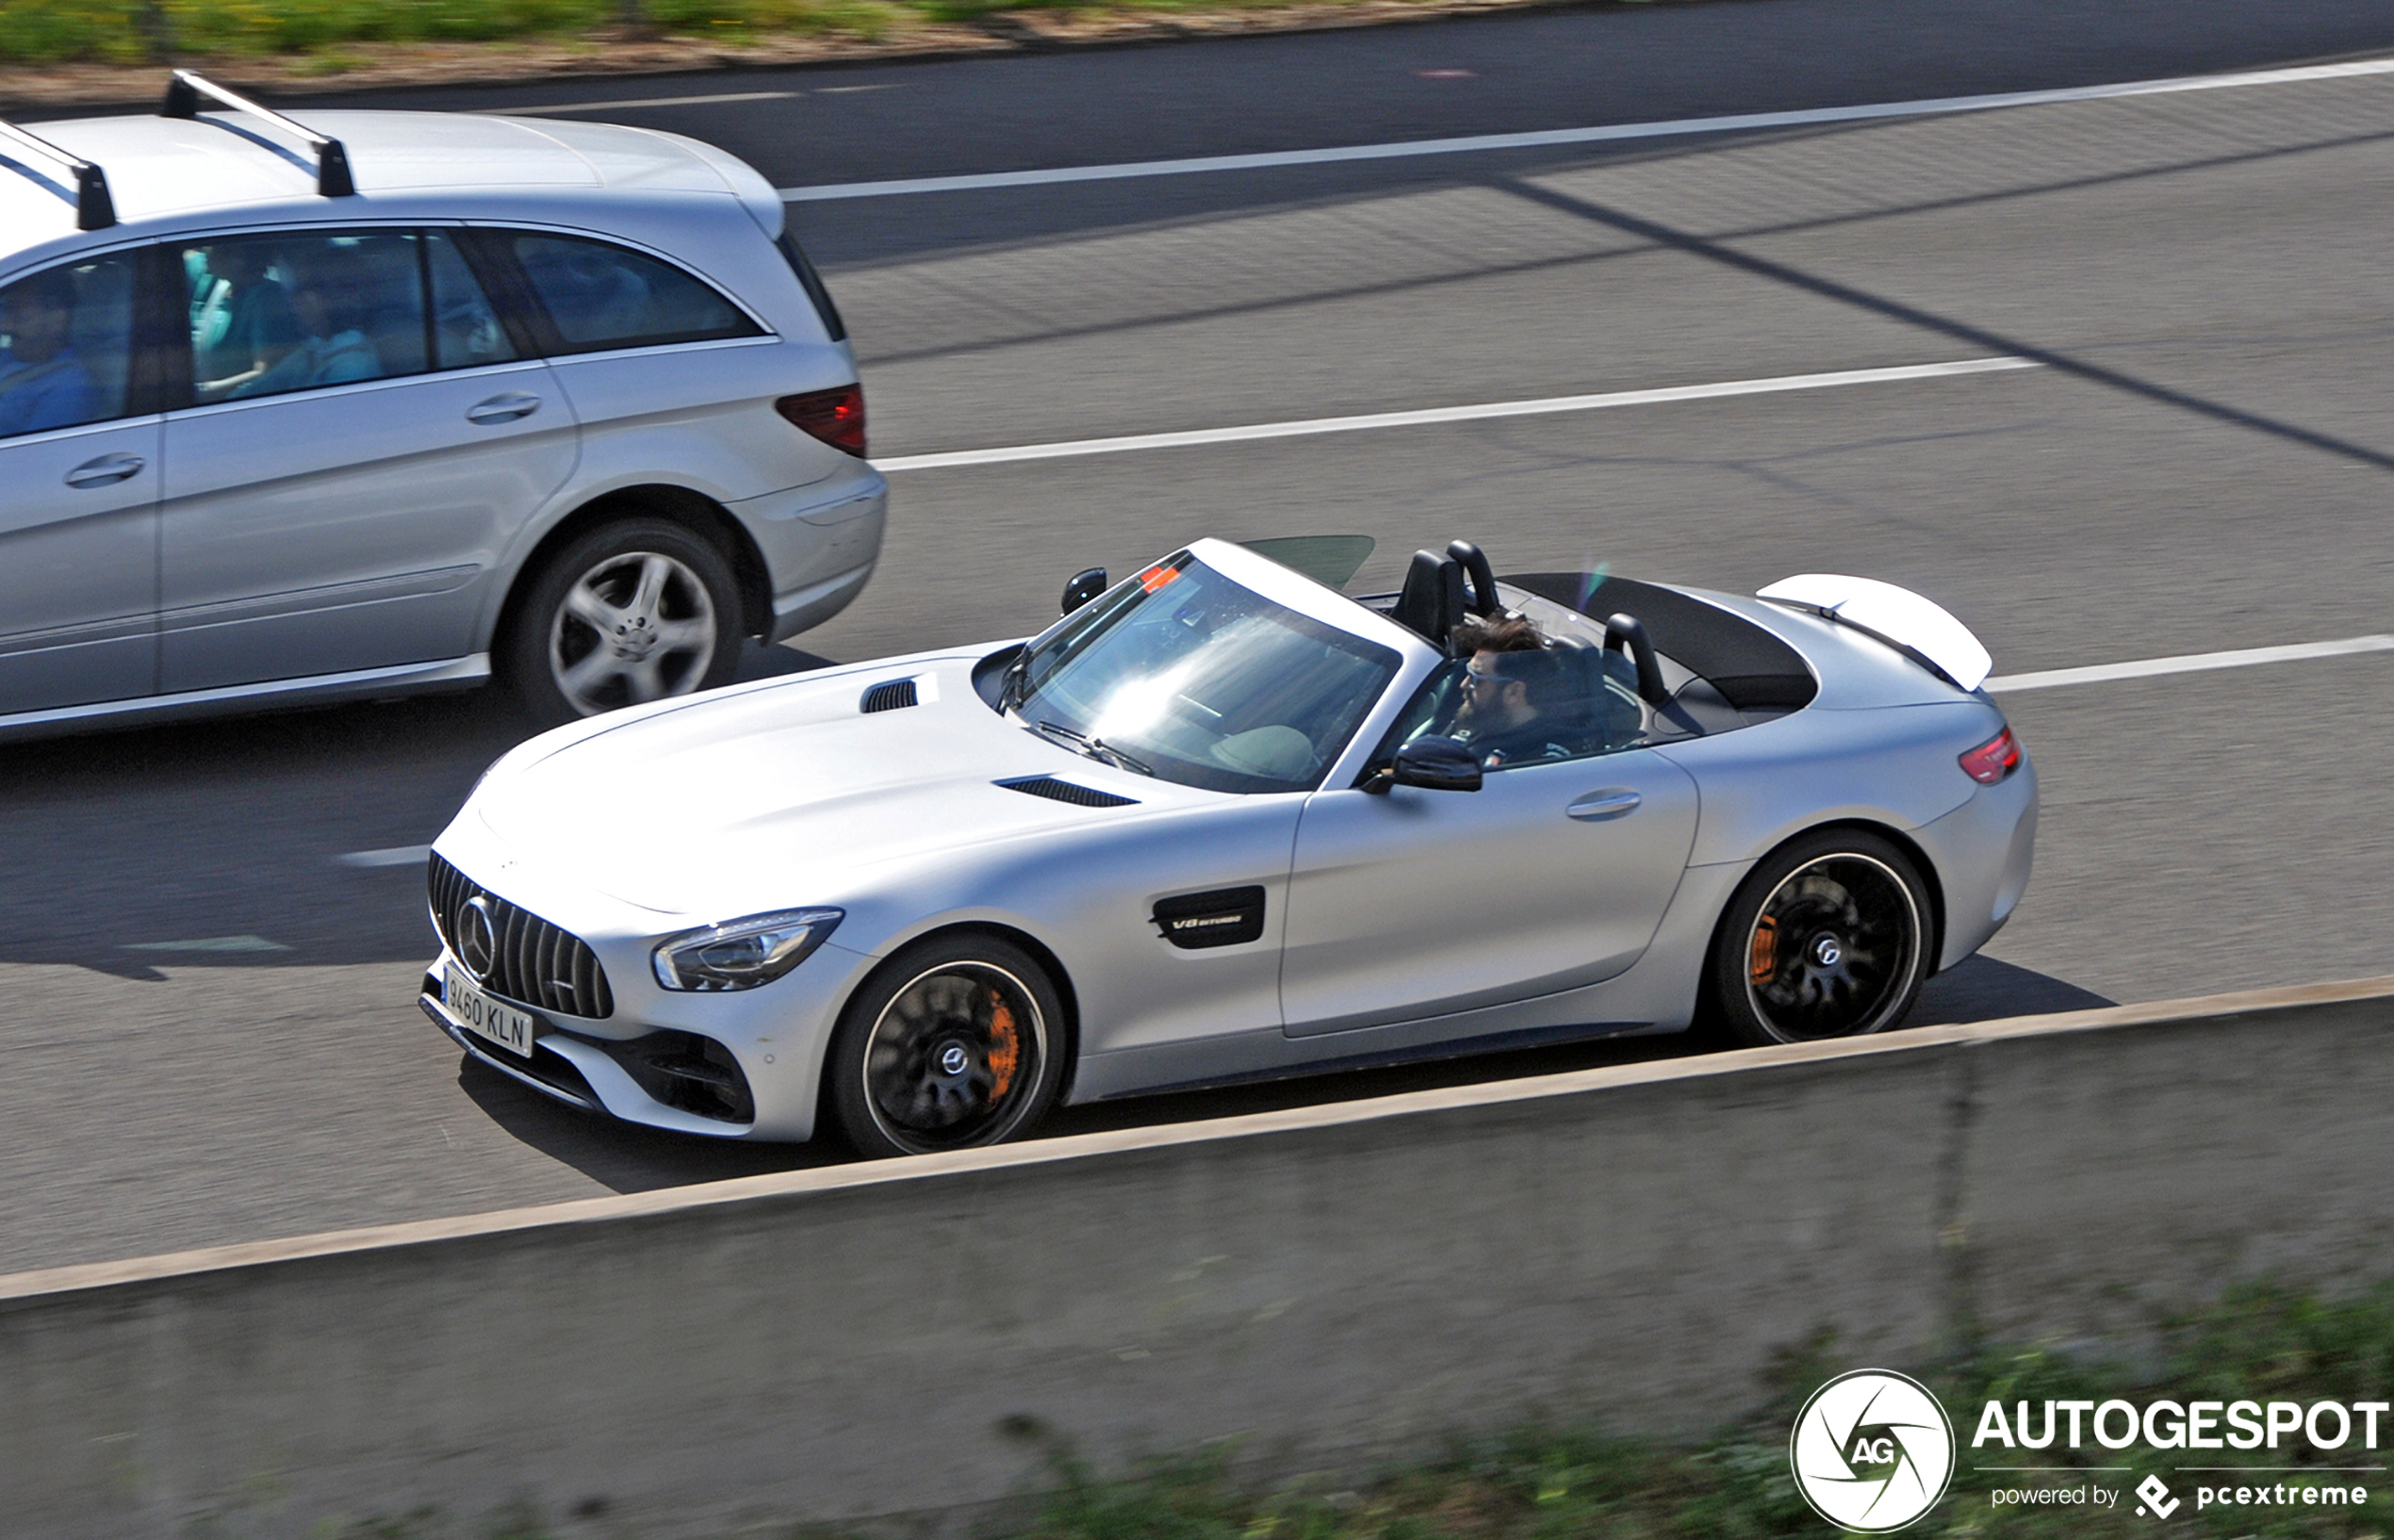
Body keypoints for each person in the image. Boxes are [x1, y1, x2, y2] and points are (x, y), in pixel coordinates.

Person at [1446, 611, 1573, 768]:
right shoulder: (1475, 723)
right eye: (1467, 673)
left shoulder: (1540, 761)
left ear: (1514, 692)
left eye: (1477, 679)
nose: (1464, 684)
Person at [0, 268, 99, 437]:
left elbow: (33, 455)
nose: (4, 326)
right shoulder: (10, 356)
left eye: (19, 315)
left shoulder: (68, 386)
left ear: (57, 319)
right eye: (5, 309)